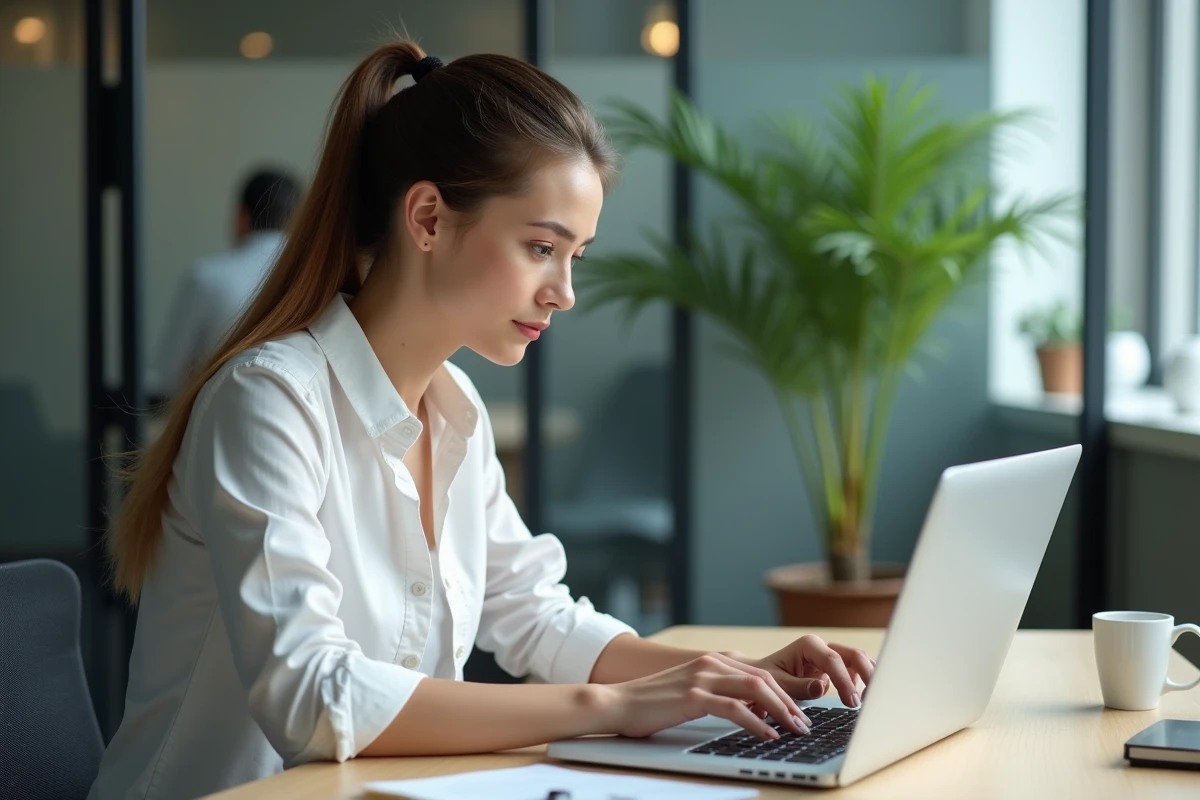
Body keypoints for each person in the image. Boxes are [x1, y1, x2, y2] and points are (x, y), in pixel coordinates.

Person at [89, 41, 875, 800]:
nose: (564, 291)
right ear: (427, 217)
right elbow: (313, 697)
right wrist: (616, 708)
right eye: (541, 247)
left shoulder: (453, 406)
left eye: (578, 256)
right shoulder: (268, 401)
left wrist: (740, 674)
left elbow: (536, 616)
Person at [151, 168, 302, 397]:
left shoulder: (205, 277)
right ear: (301, 221)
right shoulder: (317, 283)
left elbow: (166, 376)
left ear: (241, 218)